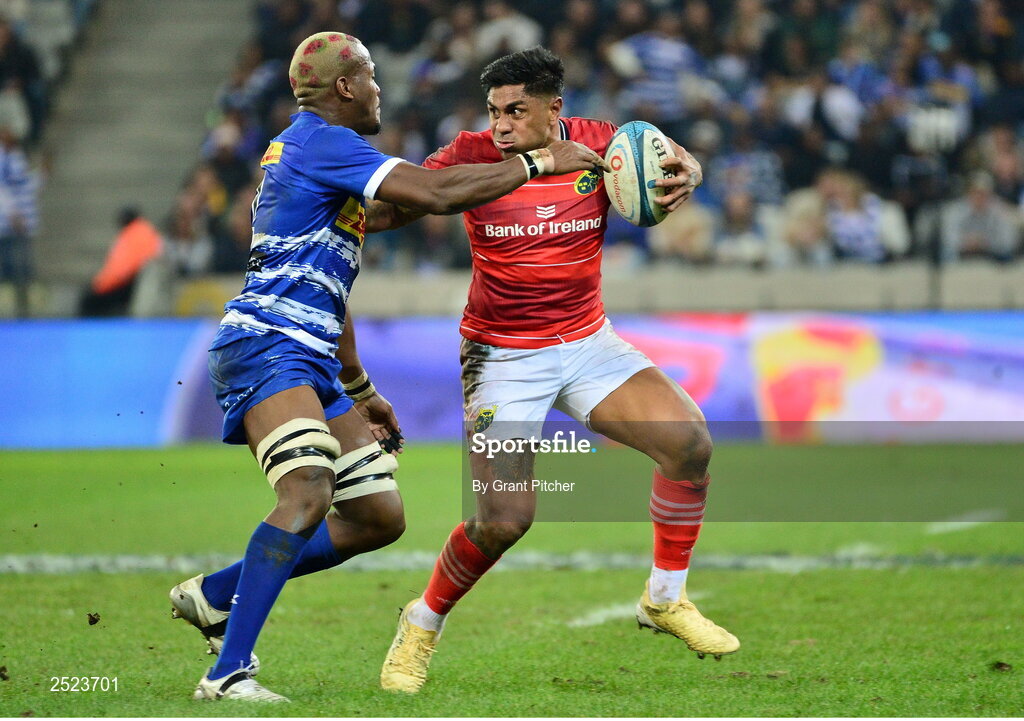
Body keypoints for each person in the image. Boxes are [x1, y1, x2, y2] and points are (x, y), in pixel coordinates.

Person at [168, 33, 608, 704]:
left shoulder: (317, 157)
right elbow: (431, 193)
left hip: (307, 351)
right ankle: (228, 673)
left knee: (377, 513)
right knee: (309, 493)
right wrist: (538, 162)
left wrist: (361, 389)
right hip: (267, 346)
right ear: (345, 87)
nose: (379, 89)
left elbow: (331, 282)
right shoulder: (325, 142)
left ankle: (216, 593)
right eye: (371, 78)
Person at [368, 46, 739, 694]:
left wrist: (693, 170)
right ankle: (420, 622)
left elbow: (672, 157)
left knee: (689, 442)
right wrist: (349, 213)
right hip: (503, 353)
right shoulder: (470, 155)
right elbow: (406, 203)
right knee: (503, 519)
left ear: (554, 110)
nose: (502, 124)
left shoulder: (602, 146)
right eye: (494, 111)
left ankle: (664, 597)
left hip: (587, 340)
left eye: (516, 110)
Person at [79, 207, 162, 317]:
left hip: (126, 285)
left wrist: (100, 284)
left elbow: (122, 268)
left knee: (88, 301)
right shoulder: (143, 231)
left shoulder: (137, 233)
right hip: (125, 282)